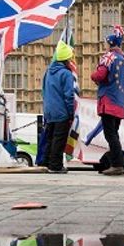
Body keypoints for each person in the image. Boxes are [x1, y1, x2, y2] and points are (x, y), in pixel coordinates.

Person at [90, 25, 124, 176]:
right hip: (119, 102)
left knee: (110, 134)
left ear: (110, 44)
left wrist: (93, 76)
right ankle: (117, 163)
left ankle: (117, 165)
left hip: (108, 101)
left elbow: (100, 75)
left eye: (106, 43)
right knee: (114, 134)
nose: (105, 46)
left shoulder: (109, 57)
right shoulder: (123, 59)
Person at [41, 41, 76, 174]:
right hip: (61, 112)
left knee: (50, 139)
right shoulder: (66, 74)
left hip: (49, 111)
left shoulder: (48, 72)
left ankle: (46, 162)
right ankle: (55, 166)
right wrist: (71, 112)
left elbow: (43, 92)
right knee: (59, 139)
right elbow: (68, 95)